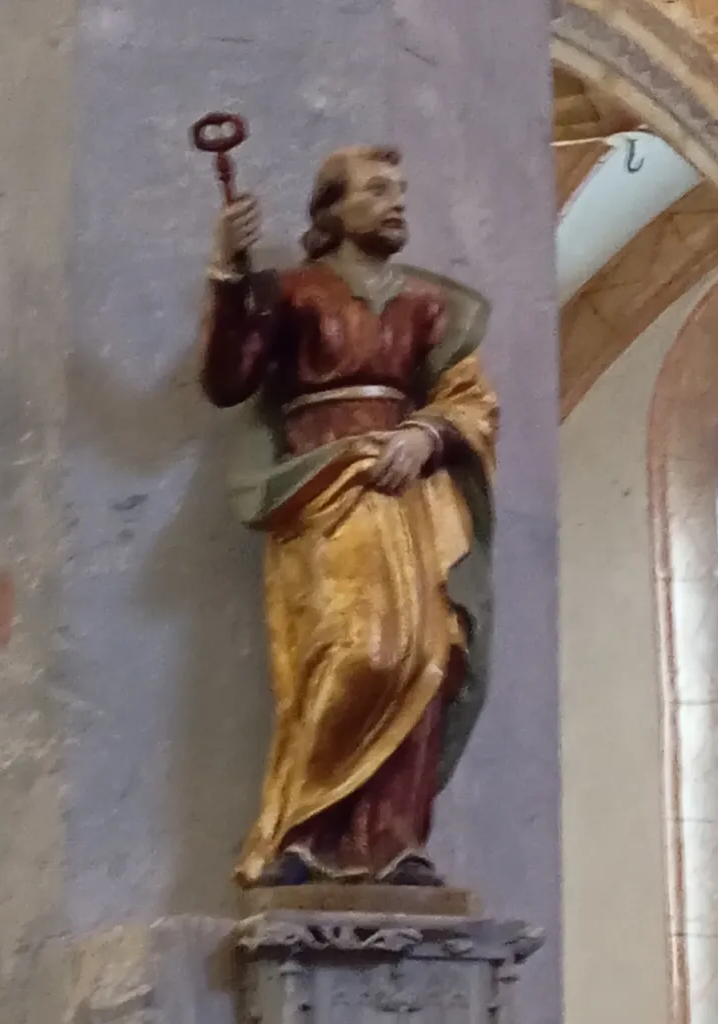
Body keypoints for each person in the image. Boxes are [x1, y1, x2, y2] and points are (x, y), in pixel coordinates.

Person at [199, 145, 498, 887]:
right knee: (353, 649)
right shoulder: (294, 291)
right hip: (322, 486)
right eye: (375, 190)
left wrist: (425, 434)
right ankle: (299, 831)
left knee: (428, 657)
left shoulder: (428, 304)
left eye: (400, 189)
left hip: (408, 493)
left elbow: (468, 397)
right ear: (330, 213)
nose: (396, 202)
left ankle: (391, 843)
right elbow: (230, 378)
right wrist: (230, 272)